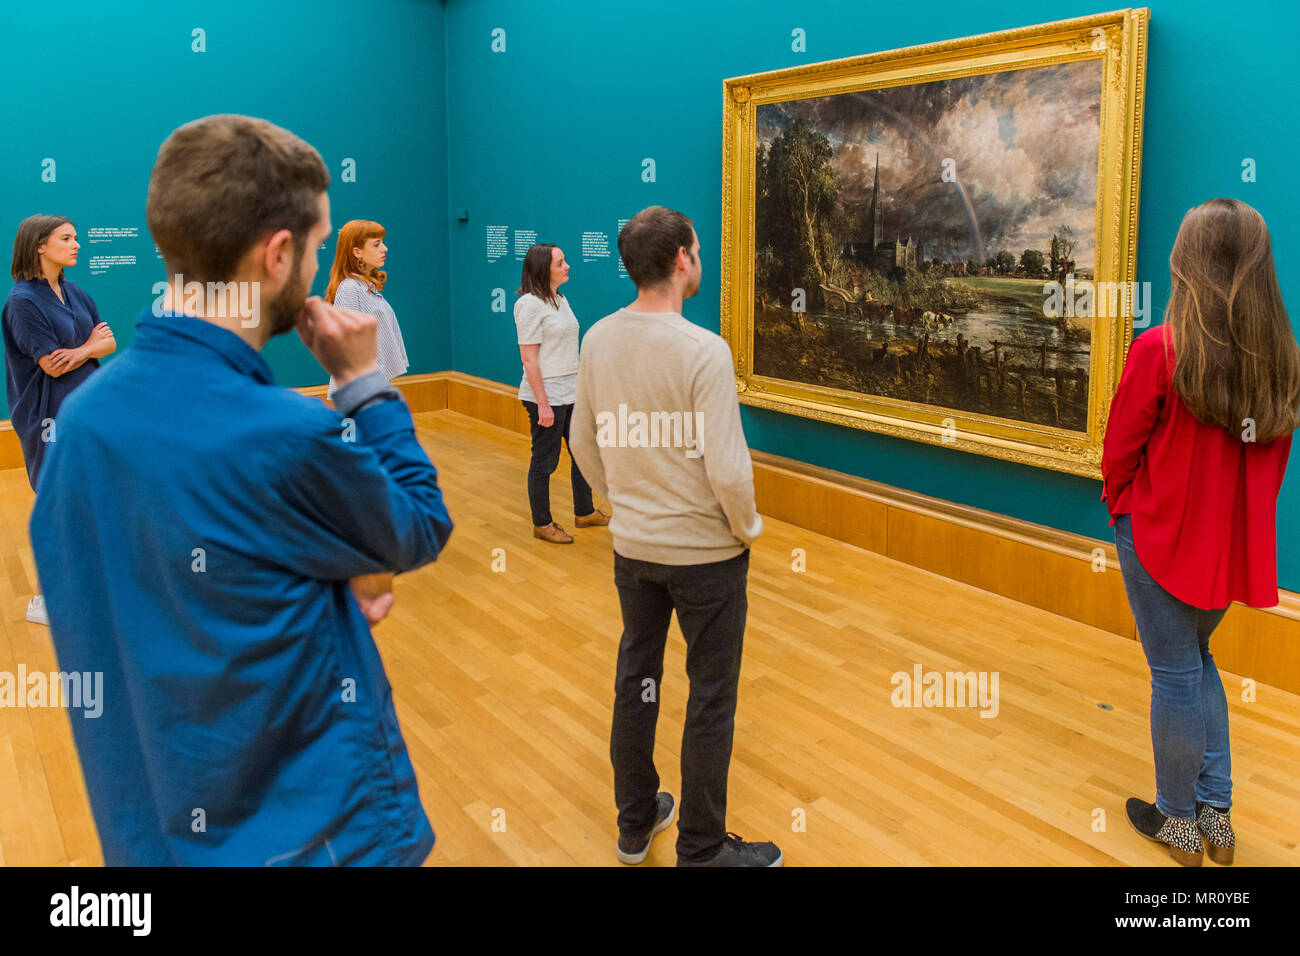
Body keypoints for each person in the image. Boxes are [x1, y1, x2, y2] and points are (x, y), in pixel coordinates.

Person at [30, 114, 454, 866]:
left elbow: (183, 596)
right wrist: (365, 384)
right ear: (278, 253)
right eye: (317, 245)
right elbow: (418, 522)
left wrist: (314, 587)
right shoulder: (281, 435)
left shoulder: (84, 425)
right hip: (317, 841)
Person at [569, 206, 780, 867]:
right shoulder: (704, 351)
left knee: (638, 679)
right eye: (698, 250)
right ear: (683, 259)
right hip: (706, 558)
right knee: (710, 696)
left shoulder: (599, 338)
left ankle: (636, 823)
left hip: (634, 550)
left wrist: (621, 501)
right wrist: (747, 528)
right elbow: (727, 466)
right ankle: (702, 847)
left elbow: (582, 439)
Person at [1102, 198, 1298, 867]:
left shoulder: (1160, 348)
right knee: (1198, 663)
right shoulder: (1279, 360)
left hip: (1158, 537)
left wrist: (1121, 506)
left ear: (1189, 263)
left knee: (1175, 676)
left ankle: (1177, 819)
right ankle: (1217, 813)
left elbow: (1119, 447)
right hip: (1226, 551)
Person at [3, 214, 115, 625]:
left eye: (77, 236)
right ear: (39, 246)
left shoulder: (76, 292)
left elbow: (110, 338)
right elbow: (52, 365)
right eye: (66, 238)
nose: (77, 244)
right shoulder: (22, 302)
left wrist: (84, 350)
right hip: (47, 415)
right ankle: (42, 600)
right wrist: (90, 347)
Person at [515, 242, 606, 543]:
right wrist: (543, 404)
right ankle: (542, 524)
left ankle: (585, 511)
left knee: (583, 453)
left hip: (571, 391)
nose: (567, 266)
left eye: (565, 261)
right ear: (544, 270)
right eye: (560, 263)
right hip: (547, 395)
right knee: (545, 461)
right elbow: (529, 359)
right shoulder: (528, 304)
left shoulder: (560, 299)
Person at [324, 220, 408, 399]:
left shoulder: (366, 286)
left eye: (382, 243)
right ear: (357, 252)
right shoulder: (350, 288)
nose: (384, 249)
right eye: (377, 244)